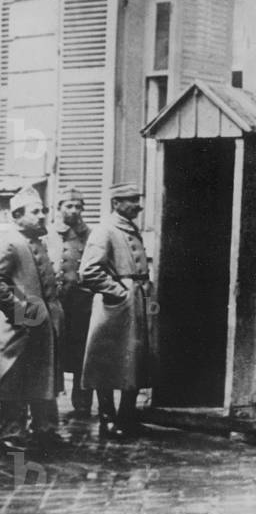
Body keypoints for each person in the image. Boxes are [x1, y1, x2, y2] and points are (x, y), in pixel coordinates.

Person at [79, 183, 153, 438]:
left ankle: (127, 416)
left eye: (137, 199)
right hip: (116, 306)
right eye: (131, 200)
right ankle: (108, 418)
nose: (137, 205)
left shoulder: (130, 228)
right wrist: (119, 292)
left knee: (134, 360)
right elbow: (89, 271)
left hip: (136, 302)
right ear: (116, 203)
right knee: (106, 361)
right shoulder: (105, 230)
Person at [0, 186, 64, 454]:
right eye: (35, 212)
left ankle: (44, 428)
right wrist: (22, 312)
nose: (41, 216)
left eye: (43, 211)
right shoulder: (11, 242)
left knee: (44, 376)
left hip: (45, 326)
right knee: (14, 378)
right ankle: (12, 431)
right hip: (21, 327)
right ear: (17, 216)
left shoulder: (39, 241)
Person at [46, 186, 93, 418]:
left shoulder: (91, 234)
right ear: (59, 208)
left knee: (83, 353)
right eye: (69, 206)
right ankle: (48, 404)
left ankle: (82, 402)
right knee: (53, 352)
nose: (74, 210)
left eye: (78, 206)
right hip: (56, 303)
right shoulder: (48, 234)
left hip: (83, 304)